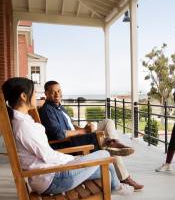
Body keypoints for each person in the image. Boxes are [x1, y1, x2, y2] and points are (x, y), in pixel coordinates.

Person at [1, 77, 134, 195]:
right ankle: (110, 151)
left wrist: (76, 159)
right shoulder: (23, 125)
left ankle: (118, 187)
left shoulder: (23, 120)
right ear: (24, 96)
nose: (36, 95)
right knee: (104, 155)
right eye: (34, 92)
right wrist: (72, 160)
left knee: (108, 168)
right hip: (53, 178)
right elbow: (48, 155)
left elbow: (46, 154)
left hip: (51, 173)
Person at [39, 80, 144, 191]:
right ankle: (123, 173)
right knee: (104, 144)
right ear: (46, 93)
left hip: (77, 136)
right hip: (69, 143)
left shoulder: (59, 107)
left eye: (59, 91)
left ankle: (112, 141)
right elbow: (59, 134)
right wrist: (82, 132)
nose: (57, 94)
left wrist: (84, 129)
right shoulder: (47, 110)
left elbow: (71, 126)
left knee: (108, 122)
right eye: (53, 92)